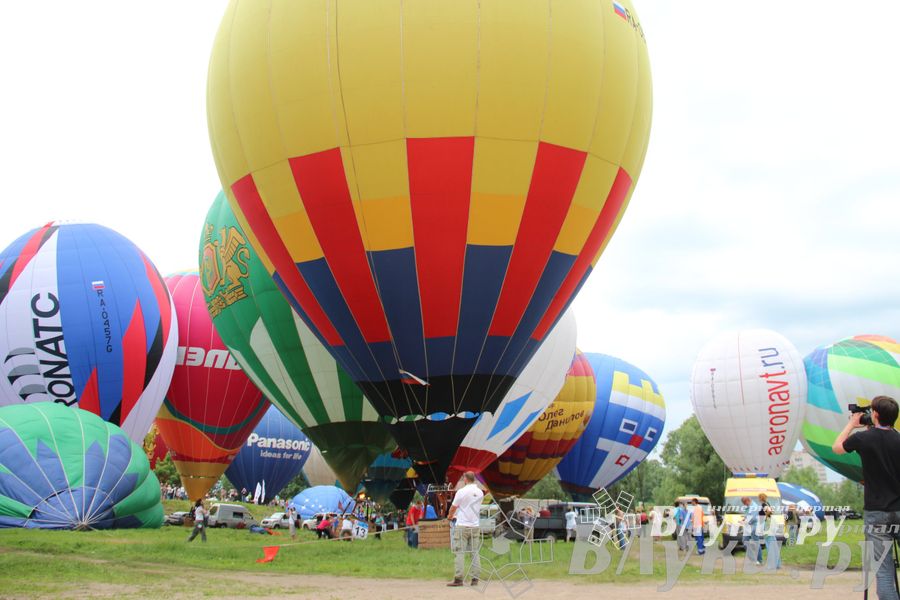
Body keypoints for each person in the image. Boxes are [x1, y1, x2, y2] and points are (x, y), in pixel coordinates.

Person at [833, 395, 900, 600]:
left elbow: (837, 447)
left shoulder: (863, 438)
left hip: (877, 512)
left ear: (876, 415)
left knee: (884, 571)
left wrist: (852, 424)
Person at [446, 471, 484, 587]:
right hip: (475, 526)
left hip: (462, 525)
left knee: (459, 552)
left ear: (465, 479)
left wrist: (449, 516)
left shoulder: (461, 492)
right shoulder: (480, 493)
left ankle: (458, 578)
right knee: (474, 552)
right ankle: (475, 578)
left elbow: (453, 507)